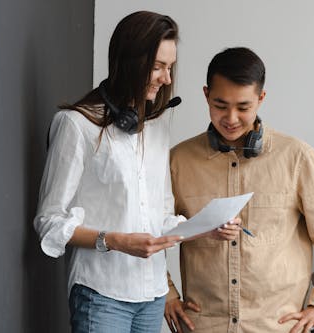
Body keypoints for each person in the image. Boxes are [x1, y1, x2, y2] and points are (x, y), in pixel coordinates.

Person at [164, 47, 314, 333]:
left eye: (243, 107)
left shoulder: (297, 157)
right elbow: (149, 232)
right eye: (219, 105)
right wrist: (167, 295)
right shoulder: (178, 161)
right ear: (205, 95)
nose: (231, 118)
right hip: (204, 326)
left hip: (277, 327)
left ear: (261, 99)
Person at [33, 11, 202, 333]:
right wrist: (114, 241)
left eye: (170, 67)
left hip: (153, 294)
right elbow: (49, 221)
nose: (167, 79)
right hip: (101, 294)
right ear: (129, 62)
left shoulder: (157, 126)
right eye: (157, 67)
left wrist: (204, 226)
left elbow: (162, 212)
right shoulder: (75, 125)